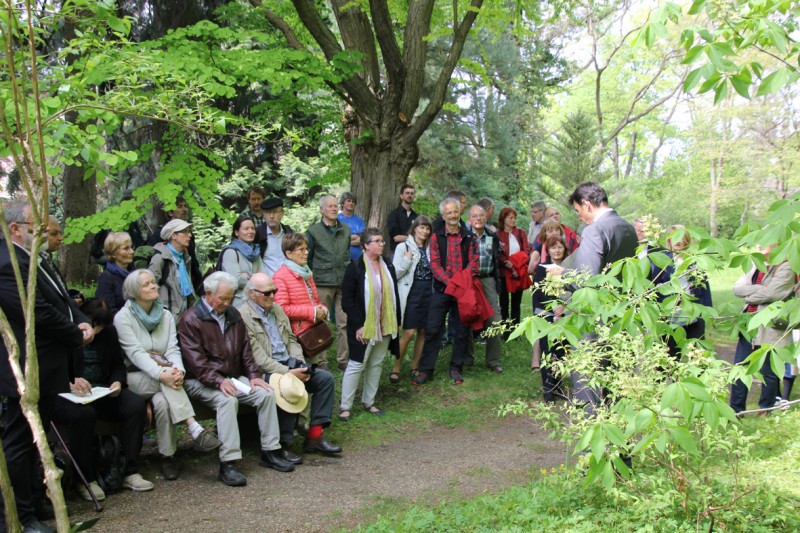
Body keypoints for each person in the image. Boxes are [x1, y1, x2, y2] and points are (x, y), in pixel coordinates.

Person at [0, 200, 94, 533]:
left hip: (51, 366)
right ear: (15, 229)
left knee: (34, 439)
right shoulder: (6, 261)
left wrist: (82, 322)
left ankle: (35, 505)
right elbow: (35, 312)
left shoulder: (37, 259)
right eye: (35, 229)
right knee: (20, 439)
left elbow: (63, 301)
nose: (44, 235)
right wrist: (74, 335)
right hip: (27, 368)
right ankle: (20, 517)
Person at [179, 272, 294, 486]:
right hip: (200, 380)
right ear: (208, 293)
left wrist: (254, 376)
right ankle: (229, 462)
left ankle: (271, 451)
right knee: (227, 400)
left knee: (266, 393)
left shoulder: (233, 314)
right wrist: (219, 381)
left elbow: (245, 351)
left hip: (232, 377)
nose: (227, 303)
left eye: (230, 298)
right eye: (222, 298)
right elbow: (196, 363)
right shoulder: (190, 319)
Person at [114, 269, 222, 481]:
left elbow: (172, 348)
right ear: (134, 291)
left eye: (153, 282)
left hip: (165, 377)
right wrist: (163, 374)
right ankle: (194, 427)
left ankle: (167, 456)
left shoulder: (165, 315)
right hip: (135, 377)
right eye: (146, 284)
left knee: (163, 403)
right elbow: (135, 353)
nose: (153, 286)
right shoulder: (123, 318)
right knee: (168, 386)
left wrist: (178, 370)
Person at [549, 182, 638, 416]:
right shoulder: (627, 228)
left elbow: (586, 281)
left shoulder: (595, 230)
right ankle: (620, 448)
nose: (580, 218)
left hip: (593, 320)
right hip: (622, 316)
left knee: (589, 386)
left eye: (578, 212)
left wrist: (561, 274)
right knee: (617, 387)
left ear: (587, 205)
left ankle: (594, 450)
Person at [239, 273, 342, 456]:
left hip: (289, 362)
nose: (272, 296)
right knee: (285, 385)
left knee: (325, 379)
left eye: (274, 291)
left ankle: (315, 436)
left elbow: (292, 340)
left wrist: (299, 364)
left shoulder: (277, 309)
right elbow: (258, 358)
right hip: (264, 370)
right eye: (267, 293)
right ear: (252, 293)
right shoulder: (243, 315)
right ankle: (283, 443)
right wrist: (288, 372)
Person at [68, 298, 152, 499]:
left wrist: (117, 382)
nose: (95, 330)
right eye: (93, 323)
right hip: (74, 395)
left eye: (100, 326)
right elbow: (57, 366)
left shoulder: (108, 334)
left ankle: (130, 471)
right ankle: (86, 479)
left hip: (102, 391)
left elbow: (117, 364)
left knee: (135, 405)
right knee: (84, 415)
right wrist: (70, 381)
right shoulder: (68, 334)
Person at [412, 198, 479, 386]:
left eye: (455, 212)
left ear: (460, 213)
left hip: (463, 291)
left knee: (460, 331)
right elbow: (434, 264)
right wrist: (451, 283)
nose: (452, 215)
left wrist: (460, 283)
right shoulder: (436, 237)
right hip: (442, 289)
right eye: (449, 212)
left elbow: (474, 263)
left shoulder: (468, 236)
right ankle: (426, 370)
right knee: (433, 329)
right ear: (443, 215)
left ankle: (456, 368)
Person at [340, 228, 401, 419]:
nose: (382, 244)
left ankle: (369, 402)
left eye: (382, 241)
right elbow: (347, 301)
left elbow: (394, 295)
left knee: (376, 363)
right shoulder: (355, 267)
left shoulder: (388, 265)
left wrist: (396, 320)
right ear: (366, 245)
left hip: (385, 323)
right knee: (357, 363)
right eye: (377, 241)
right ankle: (345, 406)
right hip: (363, 325)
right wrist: (359, 325)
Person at [730, 243, 795, 413]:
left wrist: (750, 296)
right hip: (748, 324)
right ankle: (736, 410)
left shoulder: (787, 266)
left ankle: (765, 410)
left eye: (764, 241)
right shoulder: (754, 263)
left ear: (777, 244)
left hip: (771, 325)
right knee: (740, 368)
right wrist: (760, 289)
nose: (759, 244)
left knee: (769, 372)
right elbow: (737, 289)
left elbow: (773, 294)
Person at [306, 195, 351, 370]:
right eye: (330, 206)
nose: (334, 209)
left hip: (343, 281)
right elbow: (308, 257)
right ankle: (321, 361)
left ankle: (343, 360)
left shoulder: (346, 229)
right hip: (323, 282)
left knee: (344, 321)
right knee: (321, 322)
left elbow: (346, 251)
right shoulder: (313, 231)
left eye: (336, 206)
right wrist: (320, 271)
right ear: (322, 210)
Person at [272, 233, 330, 367]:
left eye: (306, 249)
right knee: (301, 371)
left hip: (312, 329)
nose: (306, 253)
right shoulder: (280, 277)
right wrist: (312, 312)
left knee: (312, 368)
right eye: (301, 249)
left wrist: (323, 310)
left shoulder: (306, 273)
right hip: (296, 335)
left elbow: (315, 300)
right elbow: (281, 308)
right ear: (289, 254)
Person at [390, 215, 433, 383]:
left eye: (427, 228)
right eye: (421, 227)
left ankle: (415, 366)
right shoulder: (403, 247)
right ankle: (396, 367)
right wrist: (408, 260)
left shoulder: (431, 248)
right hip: (412, 292)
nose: (424, 231)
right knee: (408, 332)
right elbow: (396, 273)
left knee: (424, 331)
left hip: (428, 292)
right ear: (415, 228)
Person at [661, 225, 712, 359]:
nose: (677, 241)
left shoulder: (695, 261)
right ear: (668, 240)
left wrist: (706, 312)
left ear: (686, 240)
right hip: (669, 317)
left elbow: (704, 289)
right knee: (669, 358)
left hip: (693, 316)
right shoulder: (661, 260)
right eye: (674, 237)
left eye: (681, 237)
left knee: (698, 357)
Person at [531, 236, 571, 401]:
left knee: (561, 351)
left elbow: (573, 289)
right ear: (547, 250)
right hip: (546, 315)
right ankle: (548, 390)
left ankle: (557, 387)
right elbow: (540, 292)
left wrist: (564, 307)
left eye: (560, 247)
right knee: (548, 351)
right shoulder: (541, 269)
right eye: (553, 247)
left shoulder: (569, 269)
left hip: (566, 314)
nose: (556, 250)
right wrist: (554, 307)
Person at [466, 205, 503, 373]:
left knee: (494, 320)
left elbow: (497, 258)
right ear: (469, 219)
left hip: (488, 279)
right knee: (467, 318)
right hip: (470, 281)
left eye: (481, 215)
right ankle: (466, 358)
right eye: (474, 216)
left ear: (486, 218)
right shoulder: (464, 236)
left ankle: (493, 360)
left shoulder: (492, 236)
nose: (478, 218)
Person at [148, 196, 203, 293]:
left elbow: (193, 263)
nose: (184, 209)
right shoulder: (158, 235)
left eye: (185, 206)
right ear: (170, 212)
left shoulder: (188, 240)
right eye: (179, 206)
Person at [149, 218, 195, 323]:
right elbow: (149, 289)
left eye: (189, 231)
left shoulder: (185, 259)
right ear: (173, 235)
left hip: (185, 319)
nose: (190, 235)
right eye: (185, 231)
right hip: (166, 320)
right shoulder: (160, 258)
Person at [496, 207, 531, 328]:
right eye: (510, 218)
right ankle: (505, 329)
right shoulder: (497, 234)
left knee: (516, 302)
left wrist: (515, 262)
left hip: (518, 271)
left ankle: (516, 328)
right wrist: (506, 262)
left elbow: (526, 250)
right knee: (503, 302)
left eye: (514, 218)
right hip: (503, 273)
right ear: (503, 218)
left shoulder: (521, 233)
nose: (513, 220)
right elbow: (496, 253)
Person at [218, 214, 262, 308]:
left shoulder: (255, 252)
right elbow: (236, 279)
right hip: (238, 303)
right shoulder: (230, 252)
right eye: (246, 229)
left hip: (256, 302)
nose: (251, 231)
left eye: (252, 228)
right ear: (237, 232)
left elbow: (265, 276)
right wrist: (255, 277)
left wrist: (247, 275)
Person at [95, 231, 135, 314]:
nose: (132, 251)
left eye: (131, 247)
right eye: (126, 248)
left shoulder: (136, 274)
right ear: (113, 253)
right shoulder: (107, 278)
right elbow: (108, 312)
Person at [256, 197, 294, 276]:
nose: (271, 216)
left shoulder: (289, 234)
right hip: (267, 283)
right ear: (263, 214)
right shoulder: (257, 235)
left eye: (275, 212)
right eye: (267, 212)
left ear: (282, 213)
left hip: (289, 282)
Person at [386, 184, 418, 252]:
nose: (410, 195)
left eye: (412, 193)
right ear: (401, 196)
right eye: (407, 193)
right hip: (397, 253)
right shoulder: (394, 215)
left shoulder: (416, 216)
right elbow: (396, 238)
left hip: (413, 253)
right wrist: (415, 239)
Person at [337, 192, 365, 261]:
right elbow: (337, 240)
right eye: (348, 201)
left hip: (357, 258)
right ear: (343, 203)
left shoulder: (359, 220)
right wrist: (354, 237)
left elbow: (362, 240)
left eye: (353, 201)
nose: (351, 203)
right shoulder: (337, 219)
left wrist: (346, 241)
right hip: (341, 259)